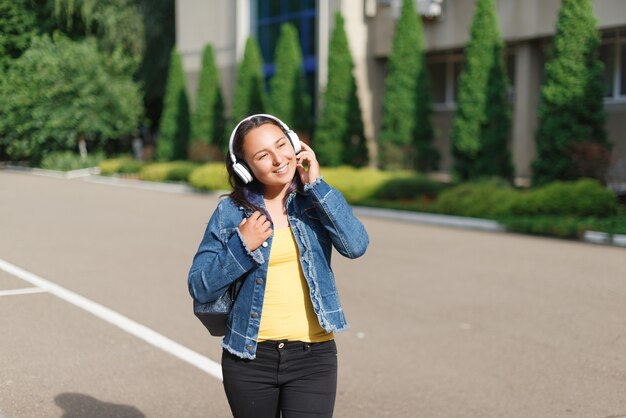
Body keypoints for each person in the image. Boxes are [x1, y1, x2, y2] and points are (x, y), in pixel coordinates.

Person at [187, 114, 369, 418]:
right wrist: (241, 245)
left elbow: (356, 246)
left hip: (314, 356)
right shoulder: (231, 213)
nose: (278, 159)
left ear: (295, 143)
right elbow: (200, 285)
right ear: (245, 169)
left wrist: (318, 186)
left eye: (282, 145)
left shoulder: (315, 202)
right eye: (262, 155)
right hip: (249, 357)